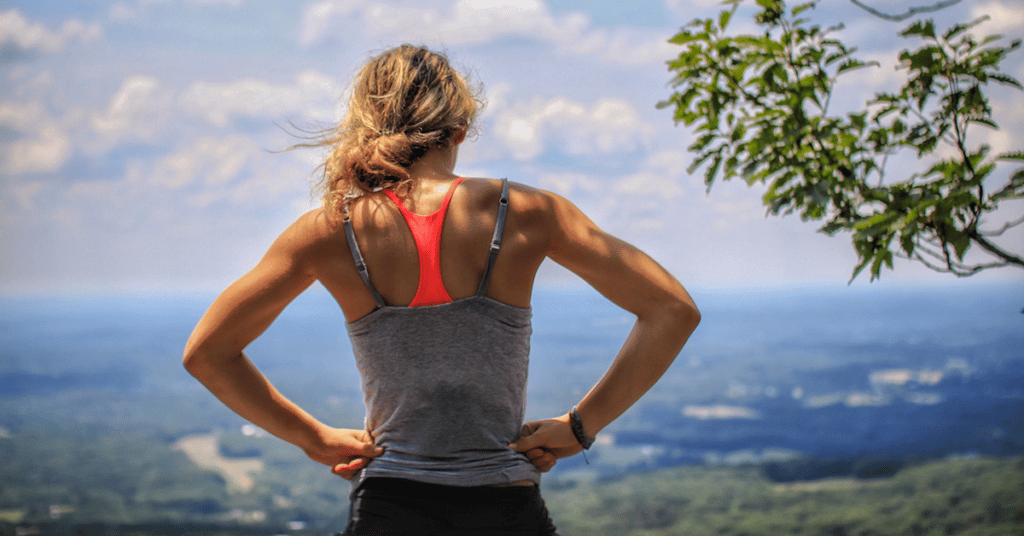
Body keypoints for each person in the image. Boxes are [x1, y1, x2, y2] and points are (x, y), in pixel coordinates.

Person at [183, 44, 700, 535]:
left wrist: (312, 438)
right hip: (505, 507)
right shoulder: (525, 213)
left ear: (369, 125)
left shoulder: (329, 231)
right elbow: (672, 310)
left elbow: (207, 353)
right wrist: (580, 427)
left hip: (388, 505)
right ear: (460, 128)